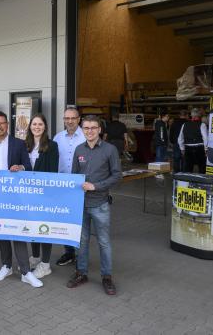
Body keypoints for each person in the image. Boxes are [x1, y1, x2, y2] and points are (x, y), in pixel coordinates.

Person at [0, 111, 41, 287]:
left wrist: (19, 166)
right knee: (1, 231)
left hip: (16, 196)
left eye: (2, 123)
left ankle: (25, 271)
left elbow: (28, 167)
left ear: (7, 125)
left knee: (18, 231)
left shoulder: (19, 144)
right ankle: (6, 266)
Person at [66, 115, 121, 295]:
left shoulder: (110, 150)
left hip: (100, 204)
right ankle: (81, 273)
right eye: (86, 128)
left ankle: (107, 277)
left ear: (99, 130)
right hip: (81, 205)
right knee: (81, 241)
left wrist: (96, 186)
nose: (89, 131)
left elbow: (116, 176)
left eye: (93, 128)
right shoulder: (78, 149)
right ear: (82, 129)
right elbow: (74, 175)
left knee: (104, 242)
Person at [25, 114, 59, 279]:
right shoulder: (25, 145)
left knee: (44, 228)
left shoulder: (52, 146)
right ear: (30, 126)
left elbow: (53, 173)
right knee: (32, 227)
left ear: (45, 127)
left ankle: (45, 264)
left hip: (45, 195)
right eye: (34, 124)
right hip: (28, 195)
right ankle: (36, 257)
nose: (36, 127)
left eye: (40, 124)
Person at [53, 107, 85, 266]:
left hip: (81, 187)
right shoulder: (57, 138)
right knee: (65, 221)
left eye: (73, 118)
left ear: (79, 119)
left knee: (80, 223)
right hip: (62, 188)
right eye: (67, 118)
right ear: (64, 120)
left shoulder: (87, 136)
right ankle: (69, 253)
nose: (70, 121)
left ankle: (81, 256)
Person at [178, 108, 208, 173]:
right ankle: (201, 182)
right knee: (202, 168)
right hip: (199, 148)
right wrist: (206, 149)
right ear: (199, 115)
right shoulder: (202, 125)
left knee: (187, 168)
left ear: (191, 115)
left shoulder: (184, 124)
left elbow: (180, 138)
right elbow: (205, 138)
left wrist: (182, 149)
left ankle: (187, 182)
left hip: (188, 148)